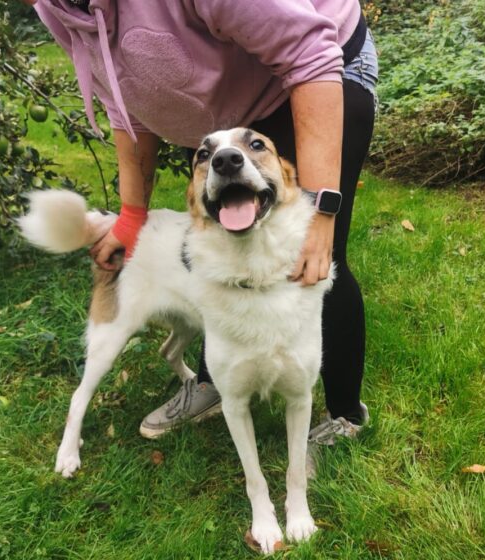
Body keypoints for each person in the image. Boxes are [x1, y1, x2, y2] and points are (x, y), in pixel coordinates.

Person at [25, 0, 377, 445]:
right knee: (227, 250)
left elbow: (309, 53)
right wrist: (131, 216)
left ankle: (344, 414)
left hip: (319, 68)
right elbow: (126, 104)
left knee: (315, 258)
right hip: (227, 98)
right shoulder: (56, 9)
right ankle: (217, 381)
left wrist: (321, 212)